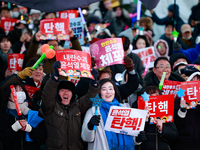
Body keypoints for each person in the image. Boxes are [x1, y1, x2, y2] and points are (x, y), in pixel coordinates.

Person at [41, 61, 99, 150]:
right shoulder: (51, 107)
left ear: (72, 94)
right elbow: (47, 95)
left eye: (69, 91)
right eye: (62, 90)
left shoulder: (78, 105)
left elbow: (90, 98)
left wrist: (94, 82)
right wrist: (55, 77)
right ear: (57, 93)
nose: (66, 93)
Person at [81, 78, 135, 150]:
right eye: (104, 89)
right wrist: (89, 127)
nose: (108, 92)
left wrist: (138, 138)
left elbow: (130, 134)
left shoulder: (124, 109)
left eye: (110, 89)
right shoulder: (93, 111)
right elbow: (86, 138)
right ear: (99, 92)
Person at [0, 83, 46, 150]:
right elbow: (3, 142)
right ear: (9, 96)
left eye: (22, 90)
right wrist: (13, 128)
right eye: (16, 91)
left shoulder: (33, 112)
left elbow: (42, 138)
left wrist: (30, 129)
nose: (20, 93)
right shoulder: (4, 115)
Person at [137, 86, 178, 150]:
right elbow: (137, 136)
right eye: (150, 95)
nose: (154, 97)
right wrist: (145, 119)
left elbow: (174, 136)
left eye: (156, 95)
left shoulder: (166, 114)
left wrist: (163, 129)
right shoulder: (139, 112)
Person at [172, 69, 200, 150]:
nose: (196, 82)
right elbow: (176, 125)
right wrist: (182, 111)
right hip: (185, 143)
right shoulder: (180, 100)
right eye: (193, 79)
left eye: (199, 79)